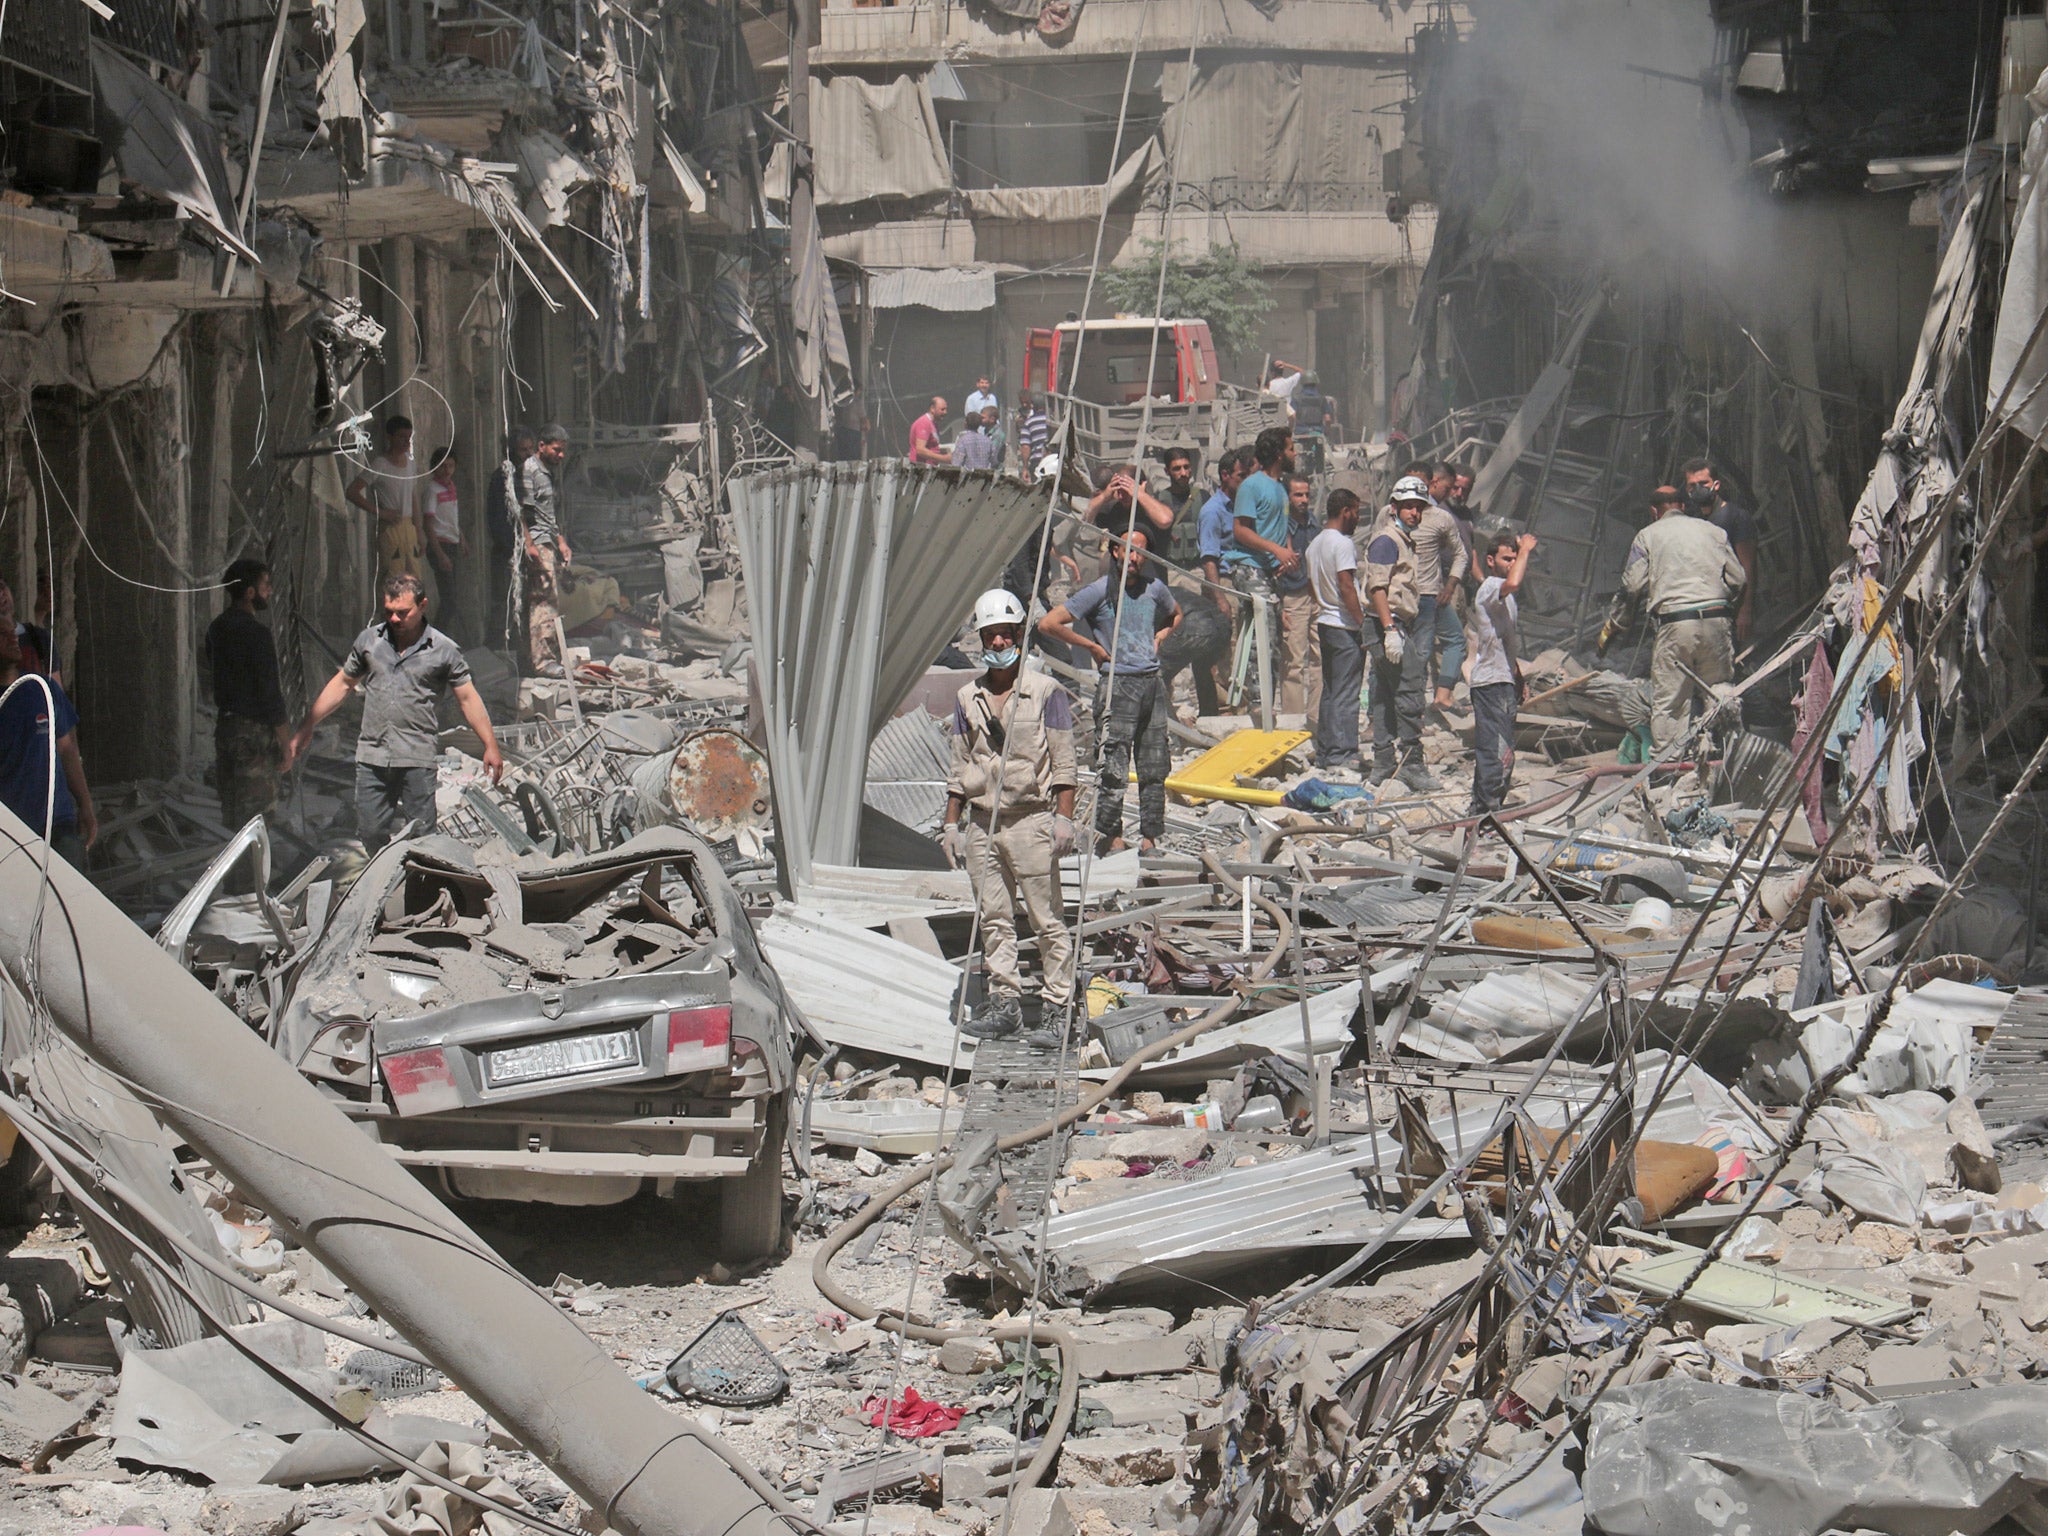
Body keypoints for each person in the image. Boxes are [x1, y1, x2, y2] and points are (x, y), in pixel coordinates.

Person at [944, 589, 1079, 1050]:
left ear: (1020, 634)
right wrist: (951, 825)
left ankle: (1058, 1008)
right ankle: (1005, 1006)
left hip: (1031, 821)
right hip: (983, 825)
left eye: (1006, 633)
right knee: (995, 919)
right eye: (991, 635)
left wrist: (1064, 819)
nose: (999, 642)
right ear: (980, 638)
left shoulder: (1046, 692)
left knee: (1046, 920)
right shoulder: (967, 698)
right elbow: (959, 768)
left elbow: (1064, 764)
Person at [291, 574, 504, 850]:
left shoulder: (443, 650)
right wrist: (308, 724)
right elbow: (343, 684)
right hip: (373, 757)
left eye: (402, 613)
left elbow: (467, 698)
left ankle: (418, 888)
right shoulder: (370, 641)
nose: (394, 619)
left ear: (423, 605)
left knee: (423, 839)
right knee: (369, 831)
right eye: (389, 612)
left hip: (416, 757)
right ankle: (388, 884)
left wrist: (490, 744)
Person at [1039, 527, 1180, 854]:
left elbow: (1176, 614)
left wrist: (1160, 637)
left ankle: (1149, 839)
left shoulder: (1154, 588)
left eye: (1139, 551)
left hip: (1151, 684)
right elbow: (1049, 624)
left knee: (1155, 764)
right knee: (1114, 765)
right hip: (1118, 685)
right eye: (1126, 550)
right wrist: (1091, 646)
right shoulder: (1100, 591)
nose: (1133, 557)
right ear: (1114, 552)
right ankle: (1111, 837)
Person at [1602, 489, 1748, 750]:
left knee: (1671, 705)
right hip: (1717, 621)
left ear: (1654, 511)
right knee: (1720, 694)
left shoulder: (1647, 535)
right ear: (1683, 505)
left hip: (1676, 624)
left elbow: (1632, 586)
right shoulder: (1714, 531)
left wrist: (1617, 623)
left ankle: (1669, 774)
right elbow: (1739, 580)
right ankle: (1727, 765)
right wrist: (1727, 611)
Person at [204, 557, 292, 835]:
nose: (270, 591)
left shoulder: (216, 629)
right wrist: (285, 741)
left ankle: (235, 878)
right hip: (253, 735)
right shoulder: (258, 633)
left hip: (226, 729)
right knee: (256, 820)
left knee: (231, 816)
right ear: (250, 592)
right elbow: (269, 691)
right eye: (265, 585)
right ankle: (251, 879)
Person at [1362, 477, 1437, 790]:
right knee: (1408, 689)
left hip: (1390, 623)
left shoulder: (1404, 541)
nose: (1414, 513)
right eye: (1408, 507)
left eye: (1418, 508)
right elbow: (1377, 586)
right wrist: (1390, 628)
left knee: (1383, 693)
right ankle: (1410, 763)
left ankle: (1382, 763)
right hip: (1385, 623)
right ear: (1395, 508)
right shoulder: (1386, 541)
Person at [0, 627, 95, 868]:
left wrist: (85, 805)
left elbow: (67, 750)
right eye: (2, 634)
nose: (13, 638)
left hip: (57, 825)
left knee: (70, 900)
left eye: (11, 632)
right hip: (10, 837)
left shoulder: (42, 688)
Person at [1222, 427, 1298, 724]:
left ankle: (1268, 699)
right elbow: (1240, 530)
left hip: (1271, 570)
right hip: (1249, 566)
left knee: (1276, 639)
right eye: (1291, 449)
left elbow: (1281, 528)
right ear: (1279, 453)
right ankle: (1257, 701)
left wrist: (1286, 554)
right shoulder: (1251, 486)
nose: (1295, 454)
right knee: (1261, 632)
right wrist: (1274, 551)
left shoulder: (1280, 487)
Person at [1470, 532, 1536, 814]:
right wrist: (1525, 550)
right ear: (1490, 561)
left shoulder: (1507, 600)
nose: (1511, 562)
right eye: (1506, 558)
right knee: (1495, 752)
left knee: (1504, 751)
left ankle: (1487, 809)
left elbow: (1505, 641)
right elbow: (1514, 581)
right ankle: (1485, 812)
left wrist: (1518, 676)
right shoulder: (1490, 587)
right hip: (1489, 683)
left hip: (1503, 681)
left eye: (1514, 558)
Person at [1306, 488, 1366, 769]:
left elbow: (1311, 586)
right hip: (1344, 625)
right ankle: (1343, 754)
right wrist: (1362, 623)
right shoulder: (1342, 544)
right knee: (1346, 692)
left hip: (1325, 622)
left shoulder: (1314, 544)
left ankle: (1326, 752)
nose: (1357, 518)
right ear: (1346, 511)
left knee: (1330, 690)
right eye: (1356, 512)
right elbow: (1346, 585)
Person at [1680, 457, 1758, 646]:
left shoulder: (1736, 517)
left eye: (1703, 483)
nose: (1697, 489)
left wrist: (1745, 611)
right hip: (1707, 610)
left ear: (1716, 485)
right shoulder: (1696, 521)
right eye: (1692, 485)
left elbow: (1748, 566)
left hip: (1733, 608)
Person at [517, 424, 573, 678]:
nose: (561, 455)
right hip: (538, 544)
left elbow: (548, 514)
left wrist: (561, 542)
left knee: (550, 602)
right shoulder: (529, 470)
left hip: (548, 542)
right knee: (543, 603)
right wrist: (530, 545)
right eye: (556, 450)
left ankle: (543, 656)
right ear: (542, 446)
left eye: (563, 451)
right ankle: (543, 661)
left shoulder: (545, 472)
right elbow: (523, 512)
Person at [348, 416, 424, 583]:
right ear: (390, 437)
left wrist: (418, 529)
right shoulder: (380, 464)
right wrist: (381, 513)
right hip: (390, 527)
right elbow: (352, 492)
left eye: (408, 437)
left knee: (415, 579)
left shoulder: (411, 464)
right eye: (401, 437)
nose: (406, 441)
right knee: (394, 579)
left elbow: (413, 496)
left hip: (408, 527)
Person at [1275, 473, 1323, 722]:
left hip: (1315, 596)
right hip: (1292, 598)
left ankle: (1316, 718)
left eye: (1306, 494)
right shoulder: (1281, 528)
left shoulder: (1314, 524)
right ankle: (1293, 720)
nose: (1304, 500)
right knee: (1293, 662)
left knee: (1320, 658)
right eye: (1298, 495)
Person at [487, 429, 536, 646]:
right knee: (504, 601)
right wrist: (512, 547)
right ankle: (499, 646)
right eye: (523, 450)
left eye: (530, 449)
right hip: (507, 550)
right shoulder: (502, 478)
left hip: (527, 550)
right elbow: (496, 518)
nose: (528, 454)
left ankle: (522, 648)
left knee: (526, 602)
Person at [421, 447, 465, 642]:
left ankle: (441, 641)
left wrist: (462, 539)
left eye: (451, 466)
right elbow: (429, 524)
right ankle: (433, 642)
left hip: (452, 544)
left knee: (452, 598)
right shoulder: (433, 490)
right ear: (434, 468)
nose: (447, 470)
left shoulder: (451, 487)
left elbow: (451, 518)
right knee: (449, 601)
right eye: (443, 466)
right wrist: (440, 555)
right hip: (440, 546)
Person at [1291, 373, 1335, 476]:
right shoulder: (1322, 399)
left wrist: (1291, 429)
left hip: (1300, 433)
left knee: (1299, 454)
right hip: (1317, 432)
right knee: (1319, 452)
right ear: (1316, 383)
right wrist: (1327, 431)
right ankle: (1320, 475)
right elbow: (1328, 419)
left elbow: (1292, 415)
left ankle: (1300, 474)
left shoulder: (1296, 399)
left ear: (1302, 383)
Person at [951, 406, 1000, 471]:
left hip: (969, 477)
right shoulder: (987, 440)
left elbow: (956, 463)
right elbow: (994, 461)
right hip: (984, 476)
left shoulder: (962, 440)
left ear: (966, 423)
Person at [908, 396, 950, 464]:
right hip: (921, 469)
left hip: (930, 468)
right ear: (932, 409)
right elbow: (920, 450)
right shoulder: (924, 423)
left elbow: (932, 447)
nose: (945, 412)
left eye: (946, 409)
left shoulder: (933, 424)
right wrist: (943, 458)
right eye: (942, 409)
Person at [1017, 394, 1050, 472]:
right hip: (1054, 461)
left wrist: (1025, 467)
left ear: (1032, 406)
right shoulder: (1052, 420)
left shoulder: (1028, 422)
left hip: (1037, 462)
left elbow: (1025, 447)